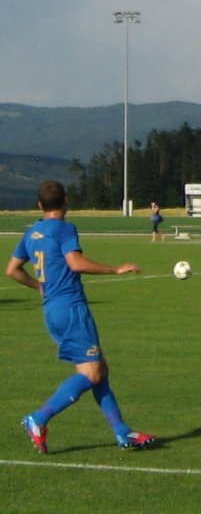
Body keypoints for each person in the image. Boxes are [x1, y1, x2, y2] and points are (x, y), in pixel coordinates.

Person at [6, 180, 155, 453]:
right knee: (91, 372)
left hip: (52, 310)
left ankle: (122, 432)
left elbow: (12, 270)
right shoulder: (64, 229)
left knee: (101, 371)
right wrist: (115, 269)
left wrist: (39, 286)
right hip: (72, 308)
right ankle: (38, 418)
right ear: (66, 202)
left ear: (40, 206)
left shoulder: (32, 233)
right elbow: (75, 262)